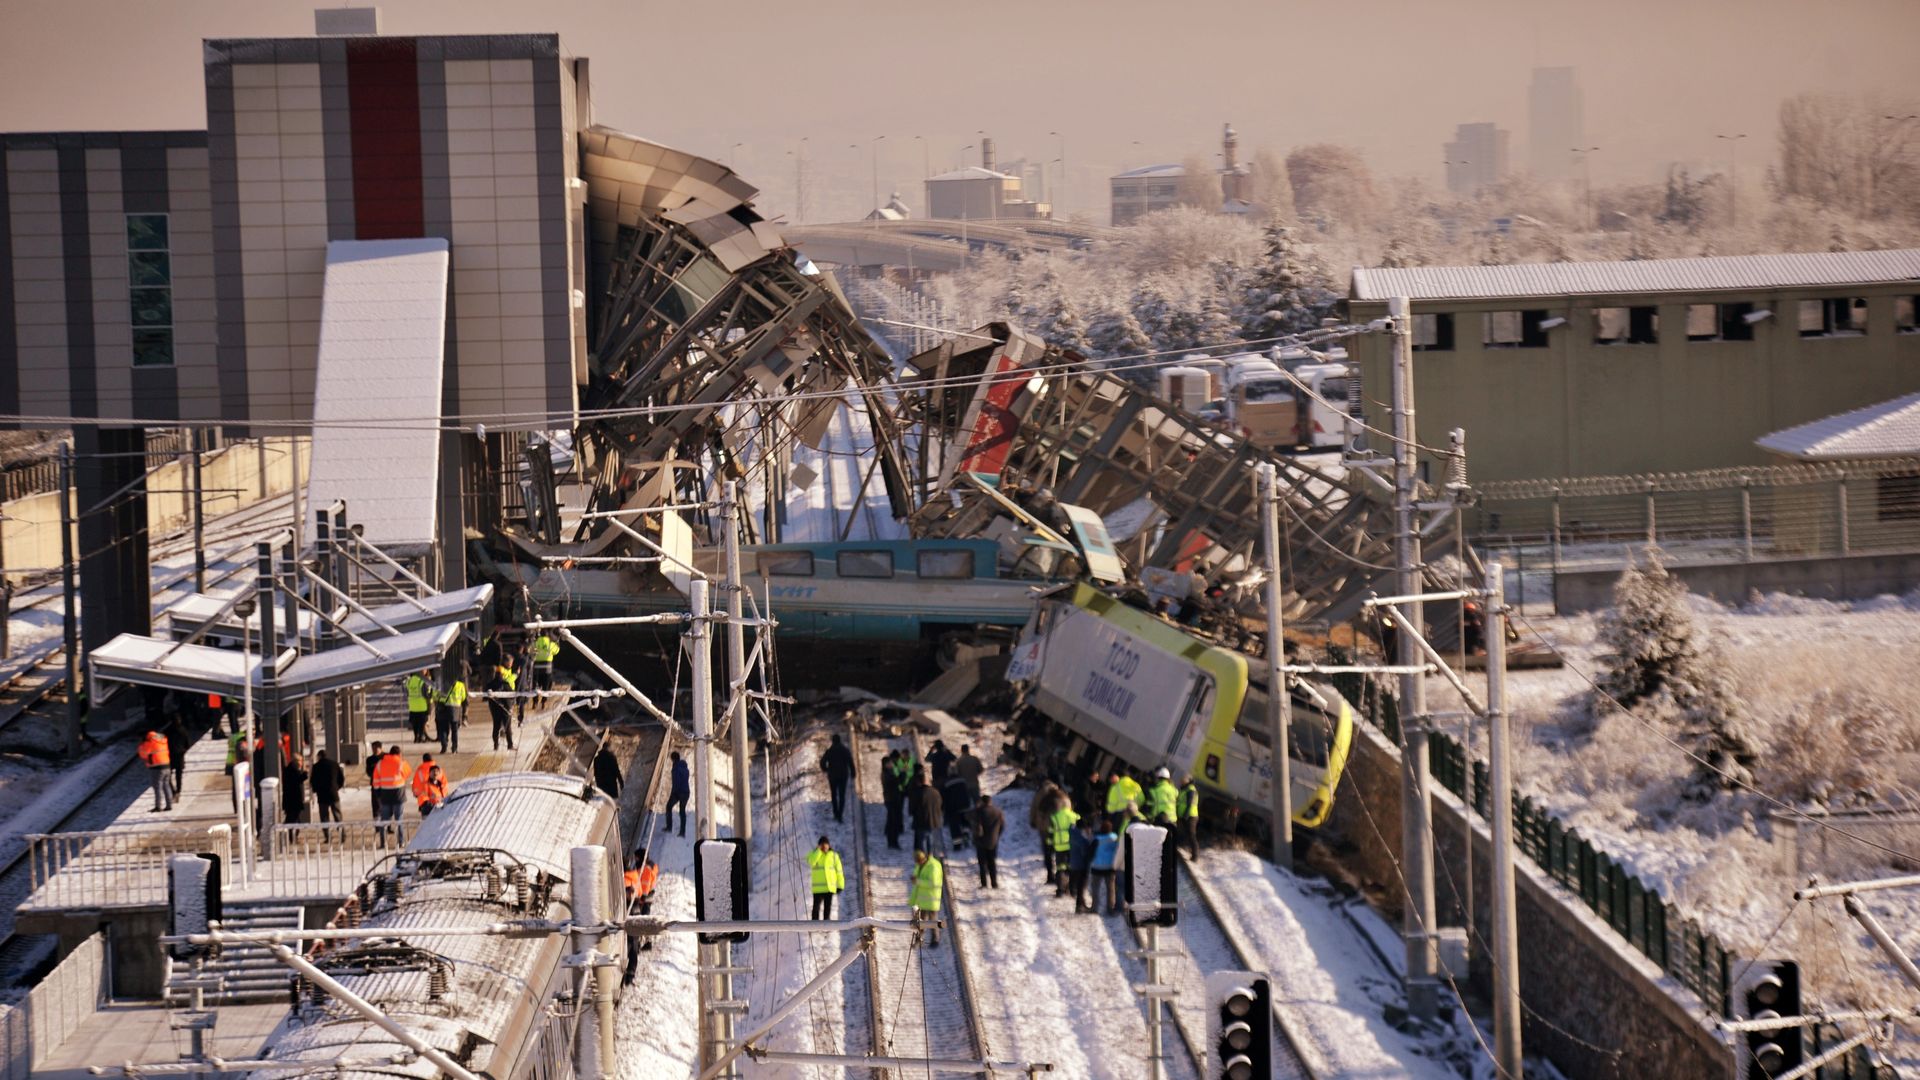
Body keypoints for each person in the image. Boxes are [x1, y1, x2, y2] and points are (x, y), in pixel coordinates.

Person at [370, 747, 411, 845]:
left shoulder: (380, 764)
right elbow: (407, 773)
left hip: (385, 794)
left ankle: (383, 842)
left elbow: (375, 780)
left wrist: (378, 794)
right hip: (398, 793)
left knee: (384, 819)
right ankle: (400, 841)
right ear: (399, 754)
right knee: (399, 818)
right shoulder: (401, 763)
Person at [1033, 782, 1071, 885]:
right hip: (1063, 831)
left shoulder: (1046, 800)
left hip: (1047, 830)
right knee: (1062, 854)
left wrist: (1039, 826)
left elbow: (1040, 814)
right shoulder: (1066, 799)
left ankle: (1050, 875)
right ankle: (1063, 877)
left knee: (1048, 853)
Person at [909, 850, 944, 947]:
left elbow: (933, 883)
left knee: (932, 921)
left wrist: (918, 881)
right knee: (920, 921)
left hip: (932, 899)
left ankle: (935, 940)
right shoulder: (921, 865)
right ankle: (918, 940)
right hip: (922, 900)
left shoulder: (933, 866)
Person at [972, 793, 1005, 889]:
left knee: (982, 863)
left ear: (982, 802)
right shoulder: (998, 811)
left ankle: (984, 884)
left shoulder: (979, 812)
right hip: (993, 841)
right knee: (992, 862)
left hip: (981, 841)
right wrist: (997, 835)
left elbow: (973, 823)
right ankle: (994, 883)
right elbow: (1002, 826)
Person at [807, 836, 845, 920]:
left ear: (829, 845)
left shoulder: (834, 856)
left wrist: (840, 885)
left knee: (827, 910)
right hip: (818, 889)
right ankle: (814, 925)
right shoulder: (814, 854)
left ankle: (827, 925)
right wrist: (818, 851)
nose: (824, 847)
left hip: (829, 888)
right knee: (815, 909)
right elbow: (811, 862)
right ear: (819, 846)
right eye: (822, 845)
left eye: (825, 845)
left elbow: (839, 872)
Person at [819, 734, 855, 823]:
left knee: (834, 795)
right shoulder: (845, 750)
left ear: (833, 741)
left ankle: (835, 813)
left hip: (832, 776)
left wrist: (826, 769)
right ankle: (840, 814)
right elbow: (850, 761)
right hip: (843, 775)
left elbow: (822, 762)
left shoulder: (830, 751)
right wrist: (853, 772)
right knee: (842, 795)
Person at [1047, 800, 1080, 895]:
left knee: (1060, 867)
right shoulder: (1074, 816)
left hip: (1059, 846)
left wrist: (1049, 844)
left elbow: (1050, 831)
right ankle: (1073, 889)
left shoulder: (1055, 817)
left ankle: (1060, 890)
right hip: (1071, 845)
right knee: (1072, 867)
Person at [1089, 817, 1120, 915]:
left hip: (1096, 867)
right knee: (1110, 889)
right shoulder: (1115, 838)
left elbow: (1091, 853)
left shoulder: (1097, 839)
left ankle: (1094, 908)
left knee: (1095, 888)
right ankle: (1110, 909)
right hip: (1110, 867)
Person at [1067, 817, 1097, 913]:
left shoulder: (1073, 833)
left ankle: (1081, 902)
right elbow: (1085, 852)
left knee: (1078, 884)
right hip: (1081, 864)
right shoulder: (1081, 838)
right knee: (1081, 886)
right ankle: (1079, 906)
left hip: (1074, 862)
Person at [908, 771, 942, 855]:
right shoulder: (936, 792)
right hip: (935, 822)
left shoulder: (916, 793)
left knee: (922, 845)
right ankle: (932, 857)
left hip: (921, 822)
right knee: (933, 844)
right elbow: (940, 805)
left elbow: (911, 809)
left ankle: (925, 859)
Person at [139, 729, 173, 812]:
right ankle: (169, 805)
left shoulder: (150, 743)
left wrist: (142, 744)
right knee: (166, 785)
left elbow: (143, 754)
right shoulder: (163, 740)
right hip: (167, 765)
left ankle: (158, 806)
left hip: (157, 768)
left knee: (158, 787)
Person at [488, 657, 518, 751]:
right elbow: (512, 694)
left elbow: (486, 696)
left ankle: (496, 745)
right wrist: (512, 704)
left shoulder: (490, 684)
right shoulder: (505, 684)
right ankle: (510, 745)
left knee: (496, 726)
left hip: (494, 708)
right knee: (507, 727)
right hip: (506, 708)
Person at [311, 749, 345, 827]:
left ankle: (327, 832)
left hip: (322, 794)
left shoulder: (316, 766)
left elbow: (313, 780)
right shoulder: (334, 764)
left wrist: (316, 790)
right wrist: (337, 787)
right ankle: (341, 831)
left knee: (324, 816)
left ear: (319, 756)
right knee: (337, 814)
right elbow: (341, 778)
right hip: (333, 793)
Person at [941, 770, 974, 848]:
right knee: (965, 822)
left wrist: (944, 809)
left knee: (954, 827)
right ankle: (966, 835)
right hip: (965, 805)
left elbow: (944, 798)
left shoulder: (946, 783)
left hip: (953, 808)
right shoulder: (963, 780)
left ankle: (957, 844)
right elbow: (967, 792)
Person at [880, 750, 905, 849]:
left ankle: (892, 841)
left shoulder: (888, 773)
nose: (891, 764)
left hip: (892, 799)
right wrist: (902, 773)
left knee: (892, 820)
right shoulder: (886, 774)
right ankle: (893, 842)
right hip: (892, 799)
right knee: (893, 821)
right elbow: (895, 782)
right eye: (890, 763)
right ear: (886, 764)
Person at [436, 677, 467, 754]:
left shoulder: (442, 684)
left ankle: (444, 746)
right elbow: (463, 697)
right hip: (455, 709)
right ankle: (454, 748)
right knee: (454, 730)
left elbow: (436, 695)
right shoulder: (460, 685)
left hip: (443, 708)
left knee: (443, 728)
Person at [666, 751, 691, 837]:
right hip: (686, 792)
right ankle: (682, 832)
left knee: (669, 807)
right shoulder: (685, 768)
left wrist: (674, 793)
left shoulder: (676, 768)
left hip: (678, 791)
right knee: (682, 811)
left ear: (673, 759)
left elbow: (676, 782)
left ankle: (669, 827)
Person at [1176, 774, 1201, 859]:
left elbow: (1189, 803)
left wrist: (1185, 814)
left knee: (1191, 835)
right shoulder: (1184, 789)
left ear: (1188, 780)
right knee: (1184, 833)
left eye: (1183, 780)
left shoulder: (1191, 790)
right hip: (1184, 815)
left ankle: (1195, 855)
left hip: (1190, 816)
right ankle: (1181, 847)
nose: (1181, 781)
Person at [403, 670, 432, 743]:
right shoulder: (422, 681)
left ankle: (416, 737)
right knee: (421, 723)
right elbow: (426, 694)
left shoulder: (409, 681)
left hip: (412, 706)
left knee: (415, 723)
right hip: (422, 706)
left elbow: (406, 692)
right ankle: (421, 737)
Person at [163, 717, 188, 797]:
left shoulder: (166, 731)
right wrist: (183, 750)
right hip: (179, 755)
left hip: (169, 755)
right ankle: (178, 790)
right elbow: (187, 744)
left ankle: (173, 791)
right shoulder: (183, 730)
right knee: (179, 774)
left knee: (168, 775)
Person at [281, 753, 309, 824]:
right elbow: (297, 780)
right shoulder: (292, 770)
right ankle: (289, 829)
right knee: (293, 817)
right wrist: (305, 773)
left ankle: (291, 829)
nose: (301, 763)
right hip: (293, 799)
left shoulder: (290, 769)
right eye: (300, 761)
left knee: (294, 817)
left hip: (291, 799)